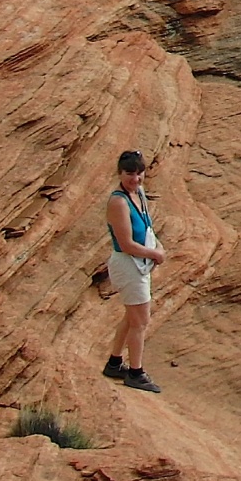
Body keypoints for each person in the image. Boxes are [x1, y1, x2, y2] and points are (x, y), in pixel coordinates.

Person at [103, 150, 167, 393]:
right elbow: (127, 243)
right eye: (130, 173)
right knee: (141, 321)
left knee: (132, 317)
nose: (136, 178)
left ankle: (114, 362)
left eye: (140, 173)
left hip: (137, 263)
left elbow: (147, 228)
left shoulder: (137, 194)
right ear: (120, 173)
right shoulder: (118, 202)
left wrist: (157, 247)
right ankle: (136, 372)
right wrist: (155, 254)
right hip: (128, 265)